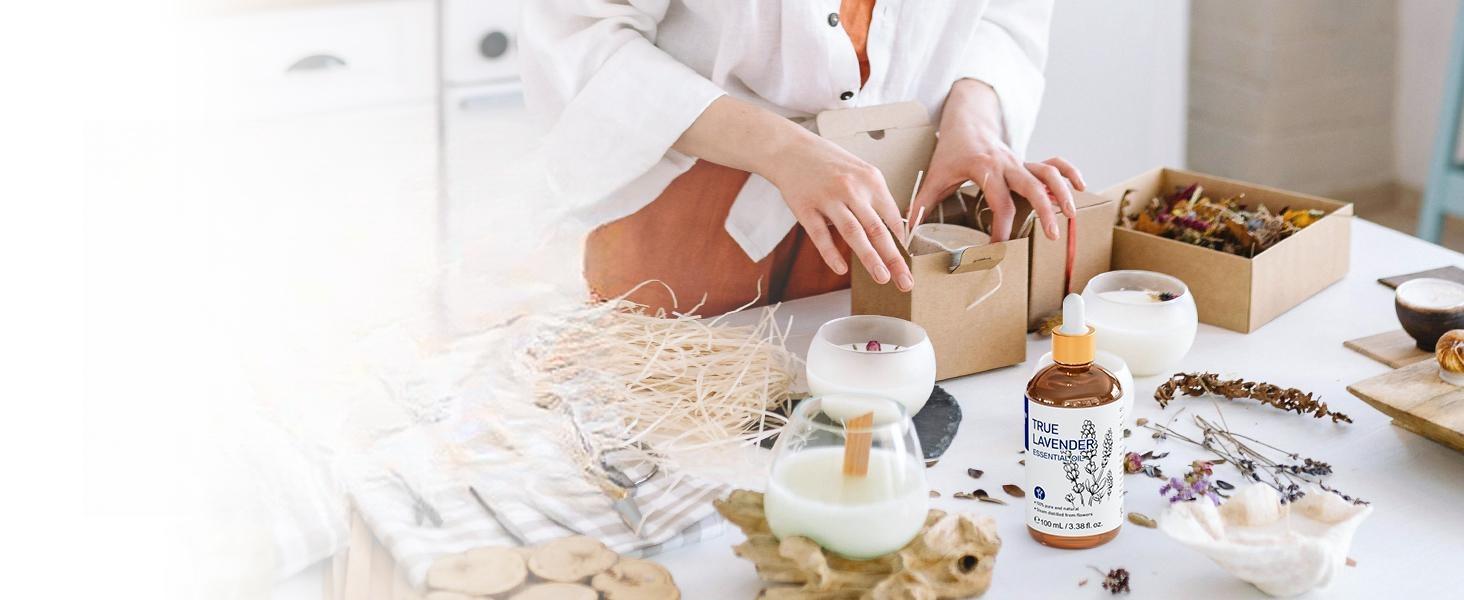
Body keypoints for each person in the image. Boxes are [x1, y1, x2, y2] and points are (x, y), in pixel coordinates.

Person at [522, 0, 1086, 316]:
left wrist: (975, 120)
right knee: (667, 457)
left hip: (888, 205)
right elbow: (578, 37)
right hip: (692, 212)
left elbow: (1003, 15)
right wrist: (781, 149)